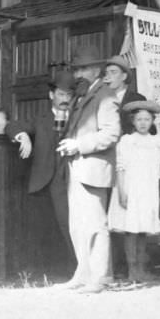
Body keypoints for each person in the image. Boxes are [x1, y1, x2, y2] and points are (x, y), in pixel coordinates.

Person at [56, 46, 120, 293]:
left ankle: (99, 278)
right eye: (76, 69)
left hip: (92, 168)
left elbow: (111, 133)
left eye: (83, 69)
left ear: (96, 70)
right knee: (78, 225)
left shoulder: (106, 96)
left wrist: (79, 145)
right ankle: (83, 273)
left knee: (95, 224)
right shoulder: (82, 96)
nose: (78, 74)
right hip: (78, 167)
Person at [6, 71, 76, 267]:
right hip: (47, 182)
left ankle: (78, 268)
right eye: (61, 94)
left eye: (69, 95)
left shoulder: (78, 118)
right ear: (51, 95)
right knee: (51, 228)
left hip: (75, 179)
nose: (65, 99)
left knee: (74, 225)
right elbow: (13, 126)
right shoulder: (40, 119)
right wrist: (23, 136)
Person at [107, 100, 160, 284]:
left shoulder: (156, 142)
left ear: (152, 121)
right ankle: (132, 270)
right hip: (131, 188)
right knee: (130, 230)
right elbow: (121, 167)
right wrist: (122, 192)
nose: (143, 123)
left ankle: (142, 269)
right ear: (133, 121)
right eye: (139, 119)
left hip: (148, 190)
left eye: (147, 119)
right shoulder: (127, 141)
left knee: (143, 229)